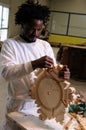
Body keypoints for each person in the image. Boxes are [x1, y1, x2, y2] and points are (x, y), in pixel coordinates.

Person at [0, 0, 70, 130]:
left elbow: (52, 74)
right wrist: (34, 64)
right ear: (22, 23)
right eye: (31, 28)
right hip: (18, 104)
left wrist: (61, 75)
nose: (35, 34)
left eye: (39, 29)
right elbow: (6, 73)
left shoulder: (45, 46)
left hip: (42, 104)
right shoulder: (10, 44)